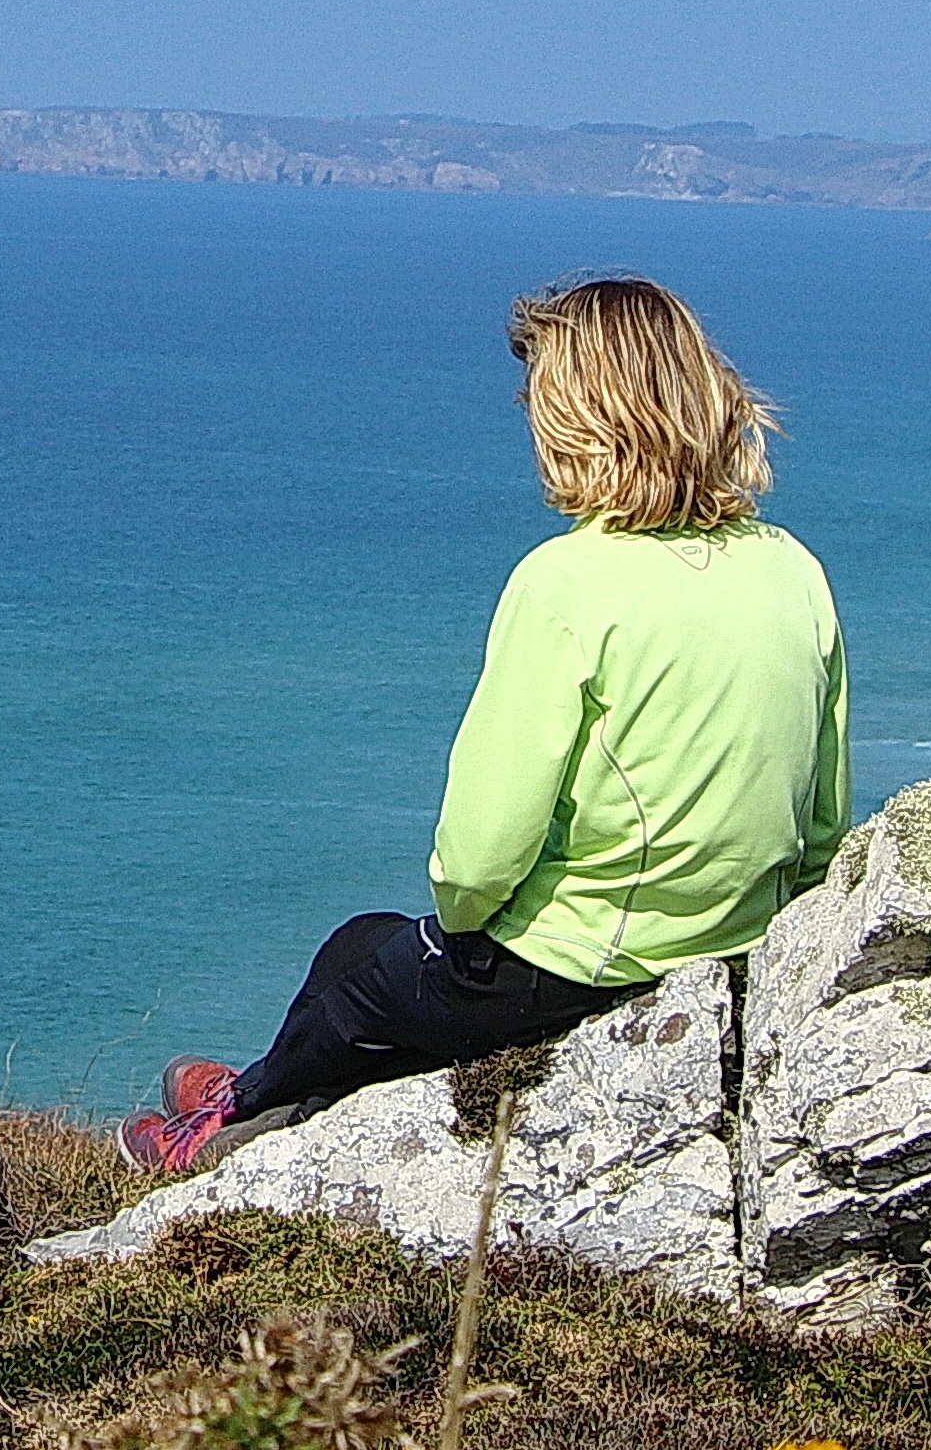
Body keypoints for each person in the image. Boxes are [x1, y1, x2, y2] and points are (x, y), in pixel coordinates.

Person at [121, 276, 847, 1173]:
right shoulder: (792, 571)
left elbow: (478, 856)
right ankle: (263, 1105)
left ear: (582, 415)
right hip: (730, 945)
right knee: (368, 961)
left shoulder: (568, 581)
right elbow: (821, 824)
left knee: (354, 977)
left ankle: (225, 1126)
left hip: (582, 964)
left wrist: (464, 925)